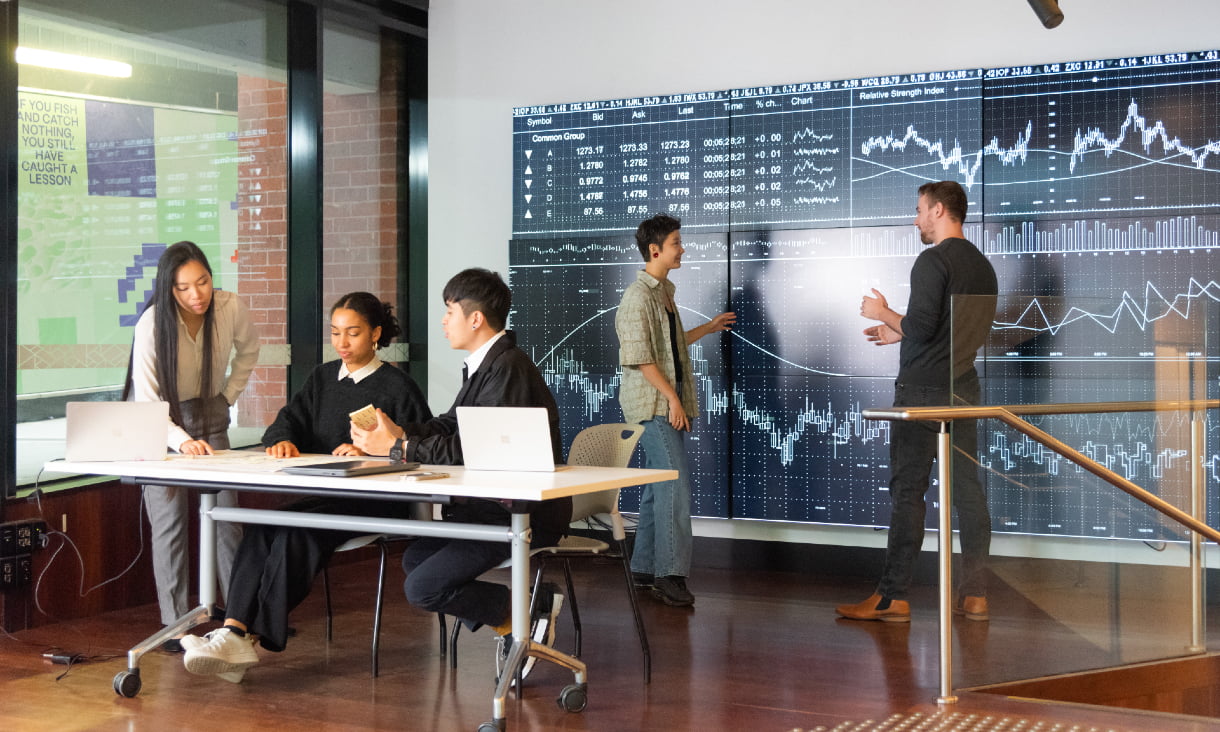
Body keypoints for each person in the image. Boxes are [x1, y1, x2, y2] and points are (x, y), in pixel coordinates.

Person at [180, 292, 432, 682]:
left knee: (295, 533)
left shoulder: (398, 386)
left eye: (353, 334)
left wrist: (376, 455)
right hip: (328, 494)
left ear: (376, 334)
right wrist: (282, 439)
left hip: (381, 500)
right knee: (263, 526)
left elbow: (423, 448)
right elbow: (285, 422)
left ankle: (247, 637)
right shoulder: (321, 378)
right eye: (335, 333)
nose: (343, 343)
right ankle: (233, 629)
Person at [350, 268, 570, 677]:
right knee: (416, 558)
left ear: (475, 319)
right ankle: (521, 612)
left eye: (449, 311)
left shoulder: (507, 368)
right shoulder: (488, 364)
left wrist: (398, 449)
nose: (443, 321)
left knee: (422, 586)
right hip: (489, 510)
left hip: (517, 514)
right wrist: (402, 433)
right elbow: (452, 425)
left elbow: (470, 449)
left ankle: (518, 615)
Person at [836, 180, 997, 623]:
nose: (916, 219)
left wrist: (883, 314)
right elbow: (947, 332)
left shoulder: (932, 260)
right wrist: (898, 332)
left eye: (920, 210)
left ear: (939, 210)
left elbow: (925, 328)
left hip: (922, 393)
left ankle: (893, 597)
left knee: (908, 493)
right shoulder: (982, 266)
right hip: (964, 389)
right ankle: (976, 595)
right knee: (967, 490)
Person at [123, 241, 260, 644]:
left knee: (227, 520)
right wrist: (181, 441)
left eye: (202, 282)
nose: (196, 295)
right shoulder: (151, 324)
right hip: (157, 422)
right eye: (183, 287)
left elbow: (249, 352)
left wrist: (227, 397)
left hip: (209, 410)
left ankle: (238, 619)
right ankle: (175, 626)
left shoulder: (230, 307)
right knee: (170, 523)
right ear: (169, 289)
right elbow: (147, 401)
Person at [616, 214, 735, 607]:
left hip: (662, 401)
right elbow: (641, 359)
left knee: (656, 488)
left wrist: (709, 328)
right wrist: (672, 398)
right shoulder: (638, 297)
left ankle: (644, 570)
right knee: (674, 486)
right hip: (651, 406)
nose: (682, 249)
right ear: (655, 250)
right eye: (676, 243)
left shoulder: (663, 292)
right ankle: (670, 575)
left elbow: (670, 345)